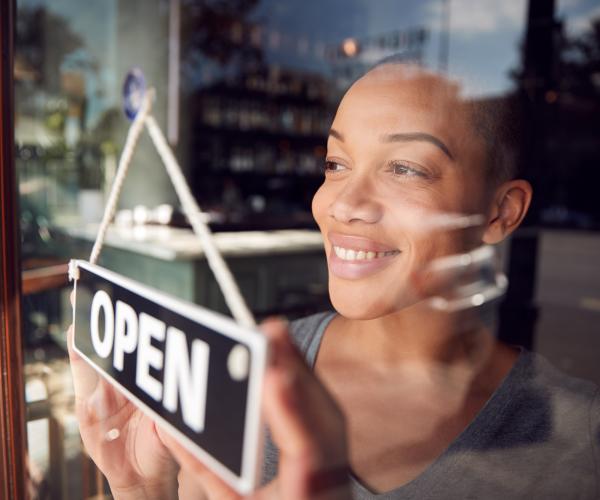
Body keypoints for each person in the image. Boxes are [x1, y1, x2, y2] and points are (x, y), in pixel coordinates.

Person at [68, 62, 600, 499]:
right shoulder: (243, 374)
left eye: (405, 169)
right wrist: (142, 489)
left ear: (500, 211)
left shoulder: (580, 443)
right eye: (336, 162)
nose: (341, 204)